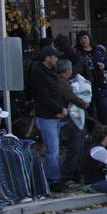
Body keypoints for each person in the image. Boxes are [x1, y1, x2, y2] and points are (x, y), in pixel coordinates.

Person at [28, 45, 67, 192]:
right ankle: (52, 180)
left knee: (55, 149)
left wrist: (60, 110)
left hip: (54, 115)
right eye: (55, 57)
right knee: (53, 150)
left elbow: (55, 93)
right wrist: (59, 109)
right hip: (47, 116)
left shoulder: (50, 71)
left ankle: (49, 178)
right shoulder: (38, 73)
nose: (57, 59)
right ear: (47, 58)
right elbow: (43, 97)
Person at [56, 59, 90, 184]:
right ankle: (66, 176)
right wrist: (84, 104)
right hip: (70, 119)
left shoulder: (62, 81)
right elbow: (71, 97)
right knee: (74, 148)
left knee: (78, 146)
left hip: (70, 118)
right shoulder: (63, 83)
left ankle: (75, 173)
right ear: (68, 70)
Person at [75, 31, 107, 123]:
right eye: (81, 39)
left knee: (102, 109)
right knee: (89, 112)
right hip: (85, 86)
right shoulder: (77, 53)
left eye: (85, 38)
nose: (83, 41)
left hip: (99, 85)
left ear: (89, 38)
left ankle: (104, 131)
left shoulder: (98, 50)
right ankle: (91, 133)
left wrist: (104, 65)